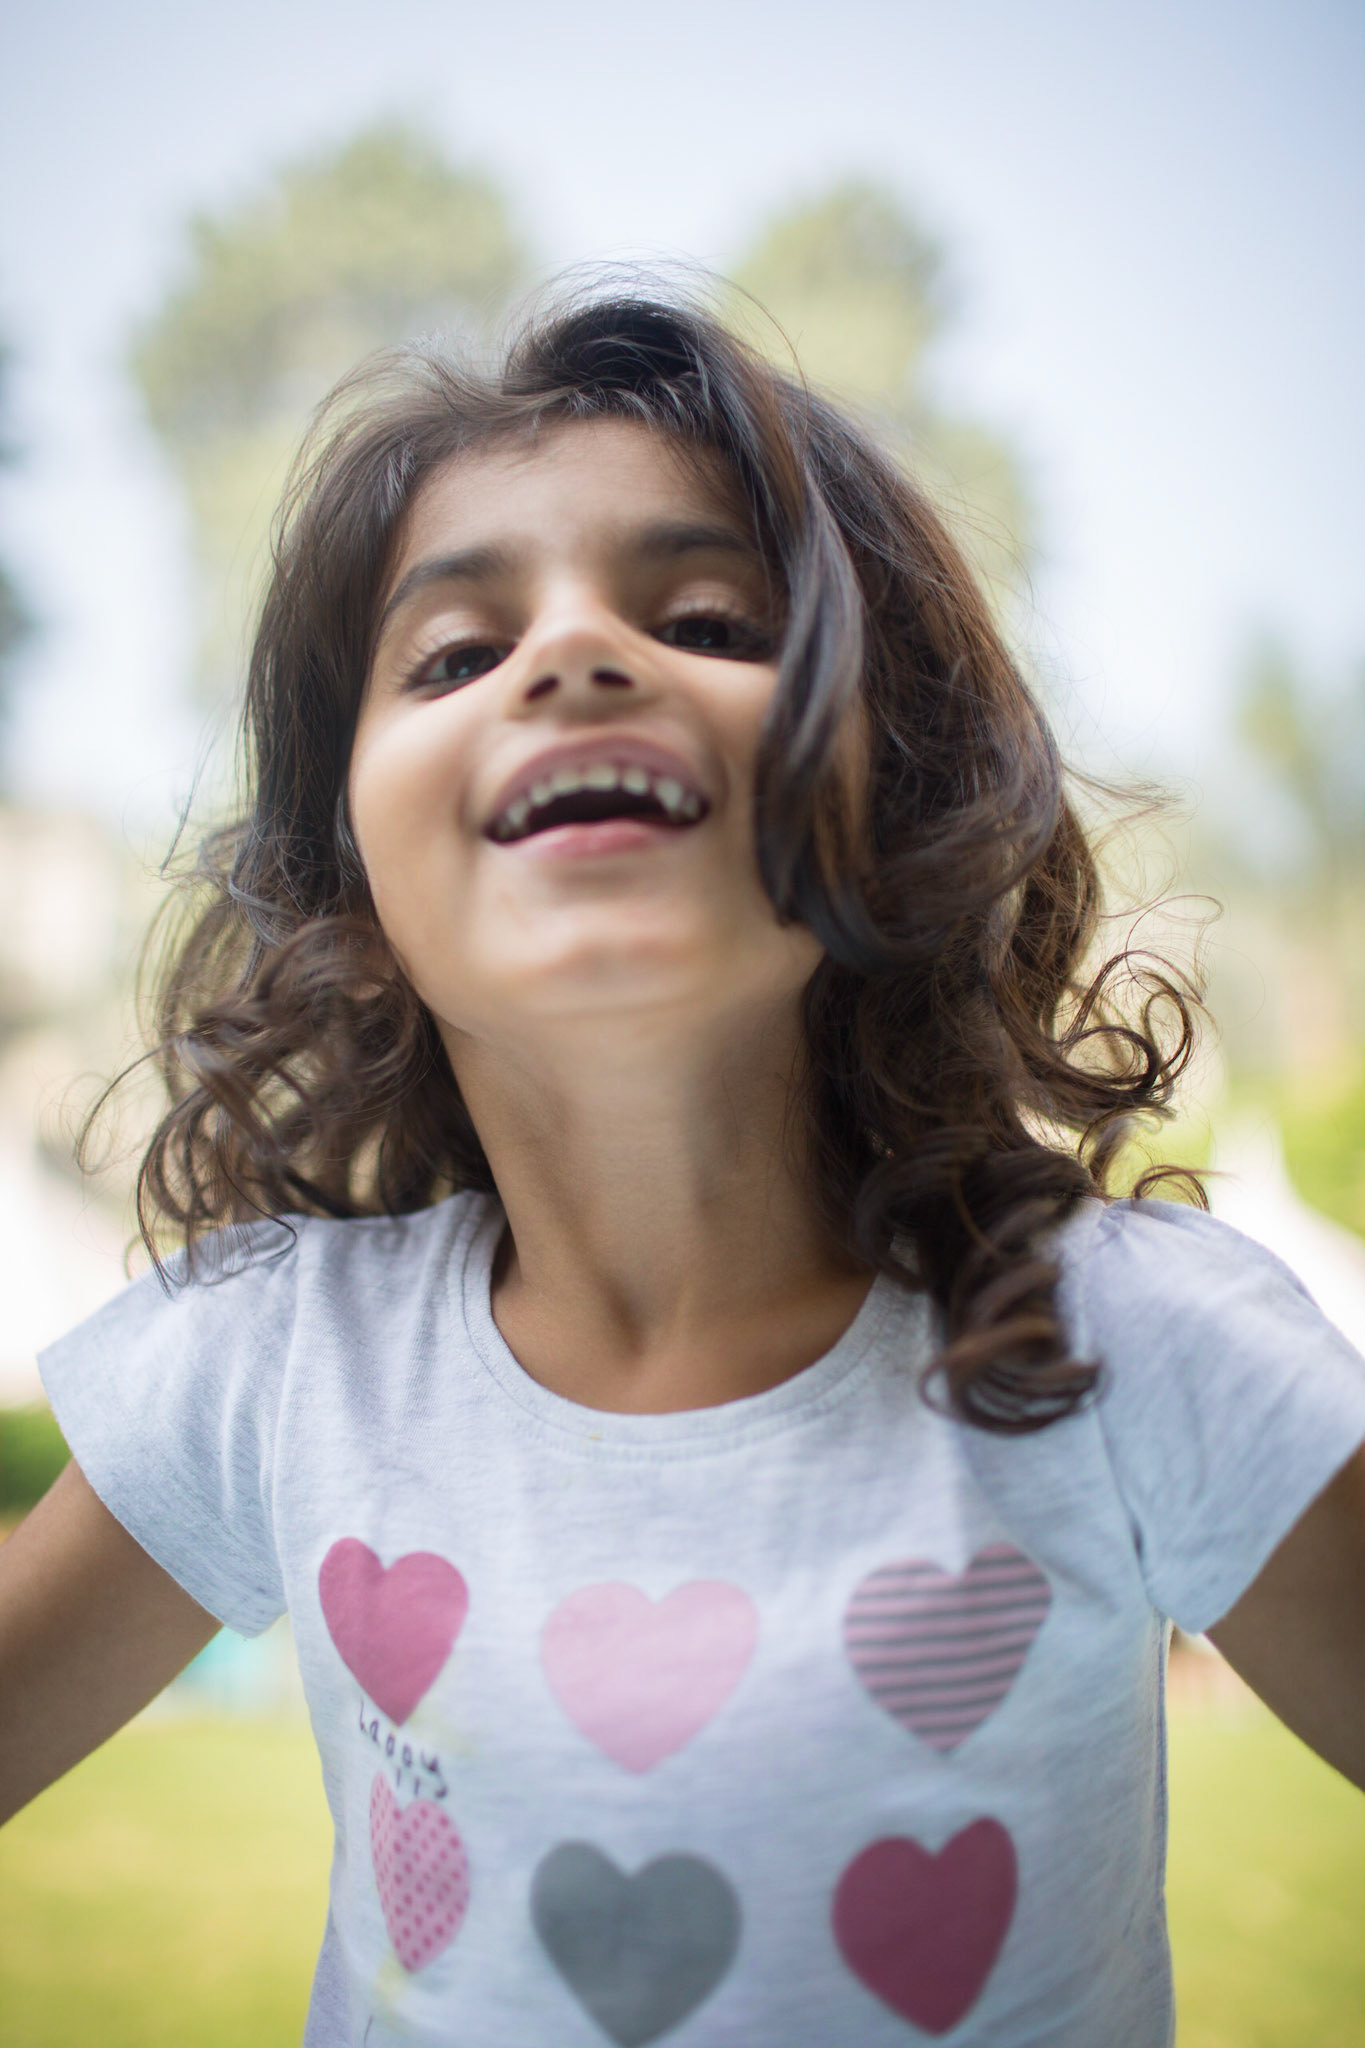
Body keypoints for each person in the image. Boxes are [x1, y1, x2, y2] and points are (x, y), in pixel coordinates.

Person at [1, 293, 1361, 2048]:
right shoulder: (268, 1371)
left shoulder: (1136, 1348)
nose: (569, 654)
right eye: (449, 654)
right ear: (350, 888)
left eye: (706, 616)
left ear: (899, 800)